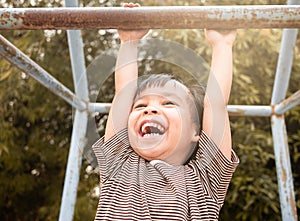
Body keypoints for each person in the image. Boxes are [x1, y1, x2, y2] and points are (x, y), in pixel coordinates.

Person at [92, 2, 239, 220]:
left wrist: (222, 45)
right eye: (140, 105)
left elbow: (215, 103)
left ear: (195, 132)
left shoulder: (204, 179)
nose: (150, 109)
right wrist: (129, 42)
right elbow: (123, 93)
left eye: (169, 103)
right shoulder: (119, 165)